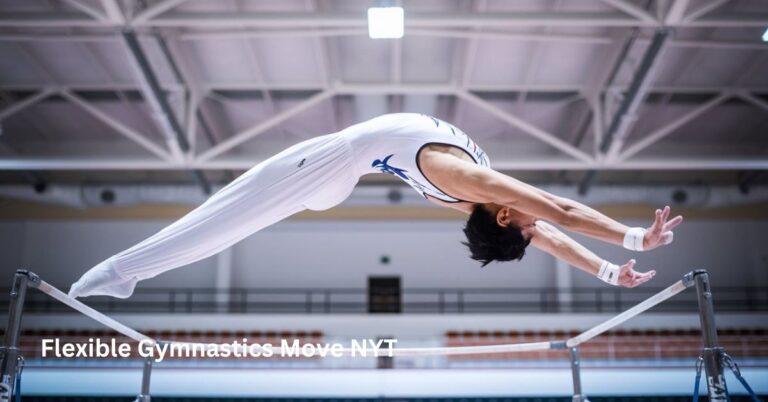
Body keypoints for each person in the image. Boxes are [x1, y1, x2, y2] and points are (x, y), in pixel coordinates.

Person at [68, 113, 682, 299]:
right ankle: (123, 274)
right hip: (334, 165)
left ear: (499, 218)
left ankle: (122, 271)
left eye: (523, 224)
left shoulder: (473, 188)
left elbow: (549, 223)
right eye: (526, 223)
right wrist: (626, 245)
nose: (534, 219)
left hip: (338, 169)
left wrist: (615, 262)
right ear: (501, 214)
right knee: (234, 215)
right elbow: (556, 213)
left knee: (233, 215)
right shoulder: (469, 185)